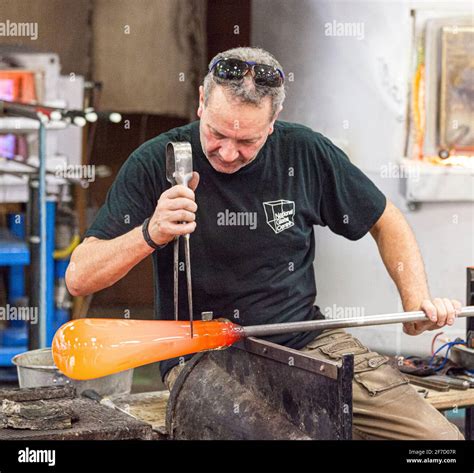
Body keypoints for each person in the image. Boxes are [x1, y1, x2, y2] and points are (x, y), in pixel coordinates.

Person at [66, 47, 463, 440]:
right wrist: (150, 233)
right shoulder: (155, 162)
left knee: (440, 444)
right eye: (217, 134)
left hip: (306, 340)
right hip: (203, 356)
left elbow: (386, 220)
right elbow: (80, 279)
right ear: (201, 102)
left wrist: (416, 301)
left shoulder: (304, 152)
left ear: (273, 123)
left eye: (247, 142)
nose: (227, 152)